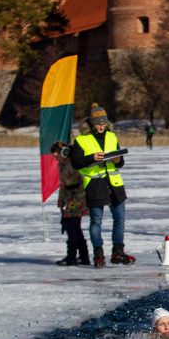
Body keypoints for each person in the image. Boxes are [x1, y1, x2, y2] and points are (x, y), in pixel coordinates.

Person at [69, 103, 135, 268]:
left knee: (120, 219)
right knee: (96, 221)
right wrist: (92, 158)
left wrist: (117, 159)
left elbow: (120, 163)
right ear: (91, 123)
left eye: (103, 123)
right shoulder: (81, 140)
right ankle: (98, 254)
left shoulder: (112, 137)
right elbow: (76, 163)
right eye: (98, 123)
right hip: (95, 184)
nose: (101, 126)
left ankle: (117, 252)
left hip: (114, 184)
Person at [51, 141, 90, 266]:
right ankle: (83, 257)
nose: (54, 156)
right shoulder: (61, 164)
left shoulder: (73, 162)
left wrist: (77, 197)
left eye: (56, 153)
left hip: (78, 197)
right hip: (69, 199)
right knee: (74, 227)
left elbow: (82, 180)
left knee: (71, 226)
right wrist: (61, 202)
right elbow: (63, 185)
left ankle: (72, 256)